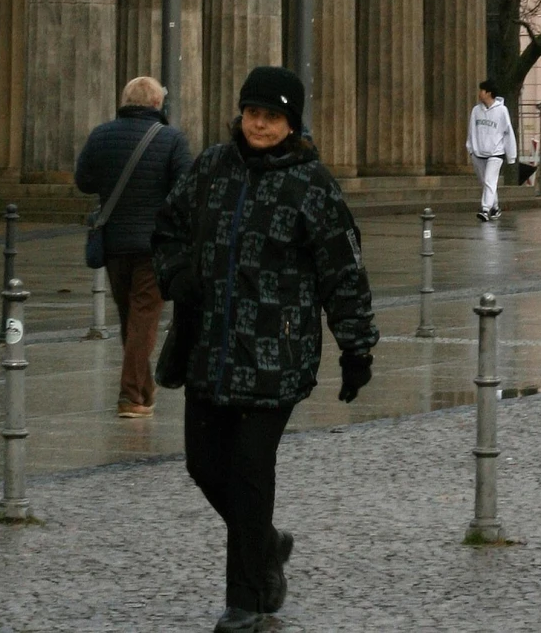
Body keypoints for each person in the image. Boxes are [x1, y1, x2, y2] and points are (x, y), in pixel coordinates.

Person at [152, 65, 377, 633]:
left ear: (291, 123)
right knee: (205, 467)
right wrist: (176, 271)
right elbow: (169, 227)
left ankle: (247, 602)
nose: (259, 123)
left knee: (250, 473)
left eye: (272, 116)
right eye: (253, 112)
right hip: (207, 350)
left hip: (276, 358)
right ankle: (268, 543)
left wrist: (356, 349)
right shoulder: (210, 167)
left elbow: (343, 272)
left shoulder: (314, 186)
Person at [74, 74, 192, 418]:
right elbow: (185, 188)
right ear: (157, 104)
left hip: (114, 243)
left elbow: (84, 181)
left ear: (125, 102)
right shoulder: (171, 139)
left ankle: (143, 391)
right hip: (155, 245)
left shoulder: (101, 135)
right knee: (142, 319)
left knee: (131, 318)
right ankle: (130, 395)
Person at [466, 83, 517, 223]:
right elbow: (471, 130)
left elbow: (508, 132)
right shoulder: (476, 110)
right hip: (478, 152)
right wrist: (470, 148)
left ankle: (485, 209)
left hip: (496, 152)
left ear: (489, 93)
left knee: (489, 180)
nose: (479, 93)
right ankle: (495, 207)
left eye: (482, 90)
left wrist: (511, 155)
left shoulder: (502, 111)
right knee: (487, 183)